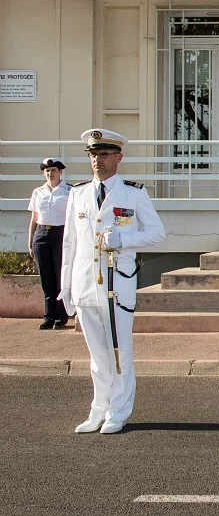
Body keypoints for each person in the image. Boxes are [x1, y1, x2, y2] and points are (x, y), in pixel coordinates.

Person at [59, 129, 166, 435]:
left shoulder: (133, 193)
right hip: (85, 283)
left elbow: (157, 232)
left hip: (118, 284)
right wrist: (66, 286)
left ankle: (118, 411)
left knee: (119, 351)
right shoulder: (78, 193)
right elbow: (69, 243)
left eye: (104, 155)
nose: (98, 161)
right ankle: (99, 409)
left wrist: (123, 239)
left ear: (118, 157)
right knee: (96, 354)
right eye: (93, 155)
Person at [27, 157, 71, 330]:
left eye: (53, 170)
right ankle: (49, 316)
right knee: (46, 278)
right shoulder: (38, 192)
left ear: (60, 172)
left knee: (60, 275)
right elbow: (34, 218)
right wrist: (30, 241)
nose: (50, 173)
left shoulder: (69, 191)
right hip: (41, 233)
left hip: (61, 233)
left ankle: (61, 316)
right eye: (47, 171)